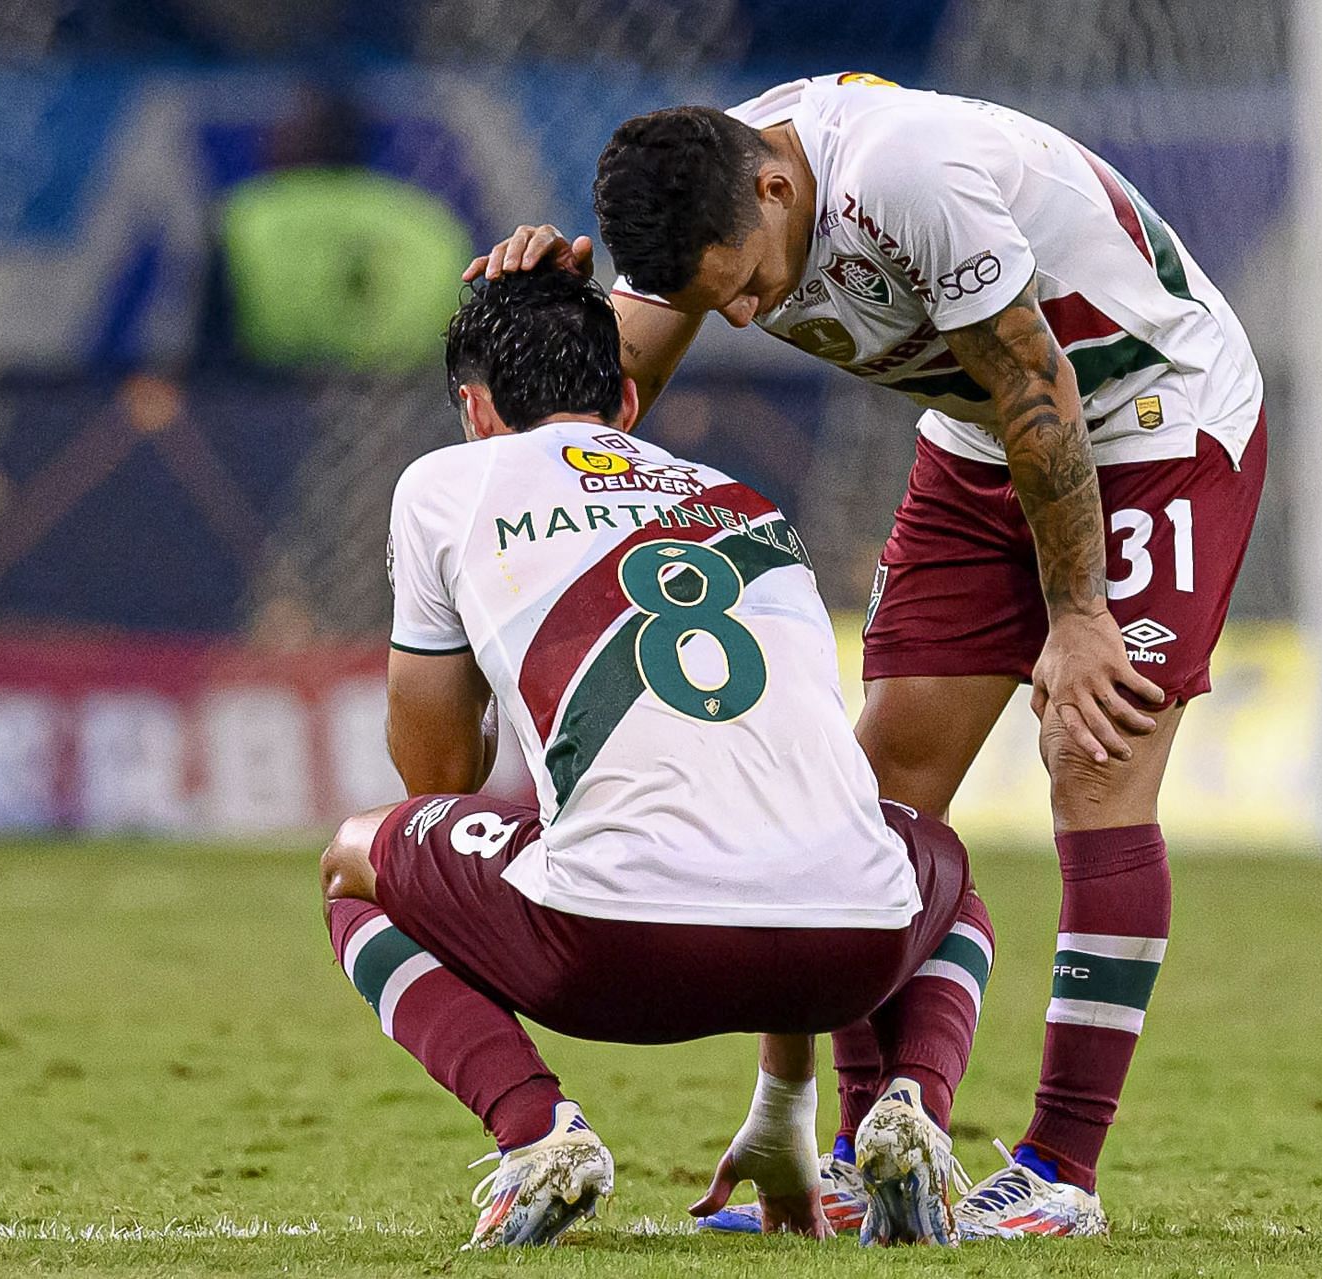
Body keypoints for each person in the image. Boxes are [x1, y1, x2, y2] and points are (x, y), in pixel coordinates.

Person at [464, 72, 1266, 1238]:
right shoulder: (708, 199)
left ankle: (1059, 1170)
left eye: (744, 284)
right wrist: (528, 321)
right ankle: (851, 1152)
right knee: (863, 803)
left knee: (1095, 750)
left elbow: (1040, 380)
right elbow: (600, 409)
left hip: (1144, 416)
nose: (741, 317)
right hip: (986, 432)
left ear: (781, 186)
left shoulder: (908, 172)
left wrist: (1080, 611)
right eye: (711, 298)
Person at [319, 264, 996, 1248]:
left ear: (473, 407)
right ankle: (913, 1105)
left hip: (610, 950)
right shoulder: (751, 506)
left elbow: (437, 781)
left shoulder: (445, 484)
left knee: (355, 860)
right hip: (844, 956)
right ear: (626, 402)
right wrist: (782, 1109)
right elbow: (782, 802)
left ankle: (536, 1130)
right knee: (928, 862)